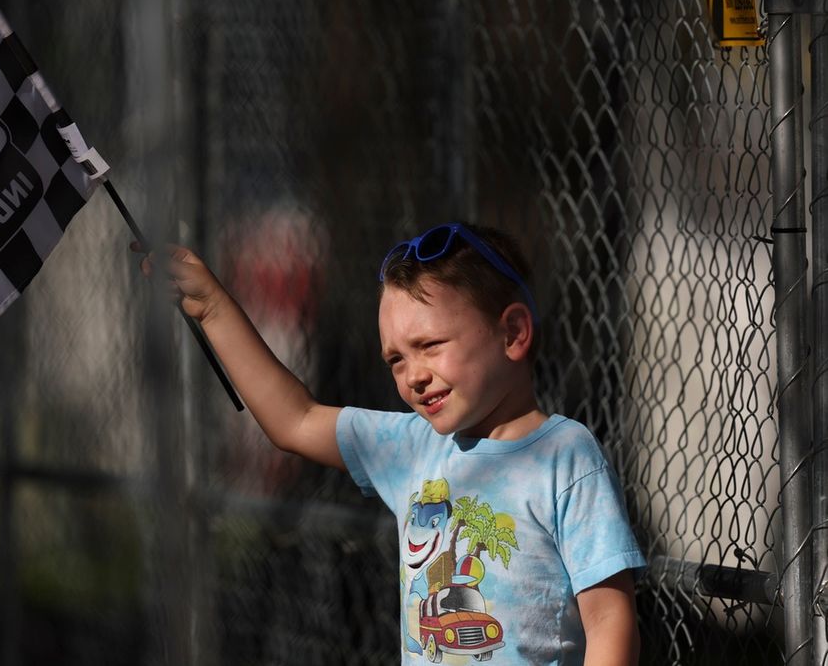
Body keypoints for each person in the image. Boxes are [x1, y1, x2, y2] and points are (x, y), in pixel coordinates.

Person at [135, 221, 645, 665]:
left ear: (512, 333)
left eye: (429, 346)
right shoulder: (413, 447)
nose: (413, 376)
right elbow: (296, 419)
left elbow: (609, 621)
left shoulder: (565, 455)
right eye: (396, 360)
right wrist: (212, 310)